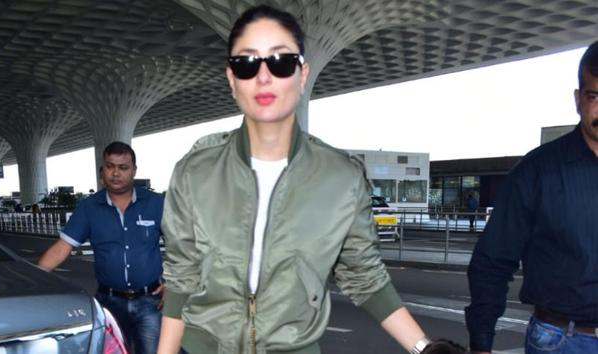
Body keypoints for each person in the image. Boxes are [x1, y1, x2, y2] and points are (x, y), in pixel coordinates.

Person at [157, 5, 432, 354]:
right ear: (231, 79)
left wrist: (425, 348)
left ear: (302, 75)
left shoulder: (341, 178)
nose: (263, 76)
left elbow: (365, 277)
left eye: (280, 61)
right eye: (247, 63)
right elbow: (182, 278)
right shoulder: (194, 172)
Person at [465, 41, 598, 354]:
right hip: (562, 341)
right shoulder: (537, 171)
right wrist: (481, 344)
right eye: (595, 96)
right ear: (578, 100)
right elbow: (492, 261)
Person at [38, 141, 165, 354]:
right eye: (110, 166)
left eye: (123, 167)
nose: (116, 173)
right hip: (109, 303)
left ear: (134, 170)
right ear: (102, 171)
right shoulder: (89, 208)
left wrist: (174, 281)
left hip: (150, 302)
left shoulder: (155, 203)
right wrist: (33, 279)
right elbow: (62, 248)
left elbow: (181, 245)